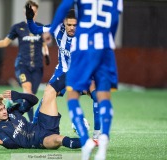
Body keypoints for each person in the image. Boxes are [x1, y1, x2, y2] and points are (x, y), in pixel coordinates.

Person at [48, 0, 123, 160]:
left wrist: (51, 29)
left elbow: (63, 7)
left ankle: (84, 139)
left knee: (72, 95)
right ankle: (103, 140)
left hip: (83, 46)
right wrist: (109, 40)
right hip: (105, 47)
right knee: (103, 96)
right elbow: (115, 20)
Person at [25, 5, 101, 140]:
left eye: (75, 25)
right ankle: (33, 128)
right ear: (64, 23)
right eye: (69, 24)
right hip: (63, 71)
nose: (72, 27)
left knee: (97, 97)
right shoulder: (56, 28)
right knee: (47, 96)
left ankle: (97, 134)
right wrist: (30, 19)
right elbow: (35, 29)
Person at [0, 1, 50, 122]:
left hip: (37, 67)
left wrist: (47, 55)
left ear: (37, 12)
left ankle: (12, 105)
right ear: (25, 11)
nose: (32, 13)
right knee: (28, 92)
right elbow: (5, 42)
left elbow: (44, 43)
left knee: (30, 98)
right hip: (22, 65)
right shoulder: (17, 27)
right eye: (30, 11)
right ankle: (32, 123)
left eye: (34, 12)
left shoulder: (41, 27)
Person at [0, 90, 81, 149]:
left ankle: (81, 86)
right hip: (40, 140)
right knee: (59, 139)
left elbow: (34, 100)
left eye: (4, 107)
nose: (4, 111)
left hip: (43, 125)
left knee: (49, 93)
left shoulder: (12, 111)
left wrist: (19, 95)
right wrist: (3, 143)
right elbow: (14, 145)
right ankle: (90, 142)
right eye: (0, 110)